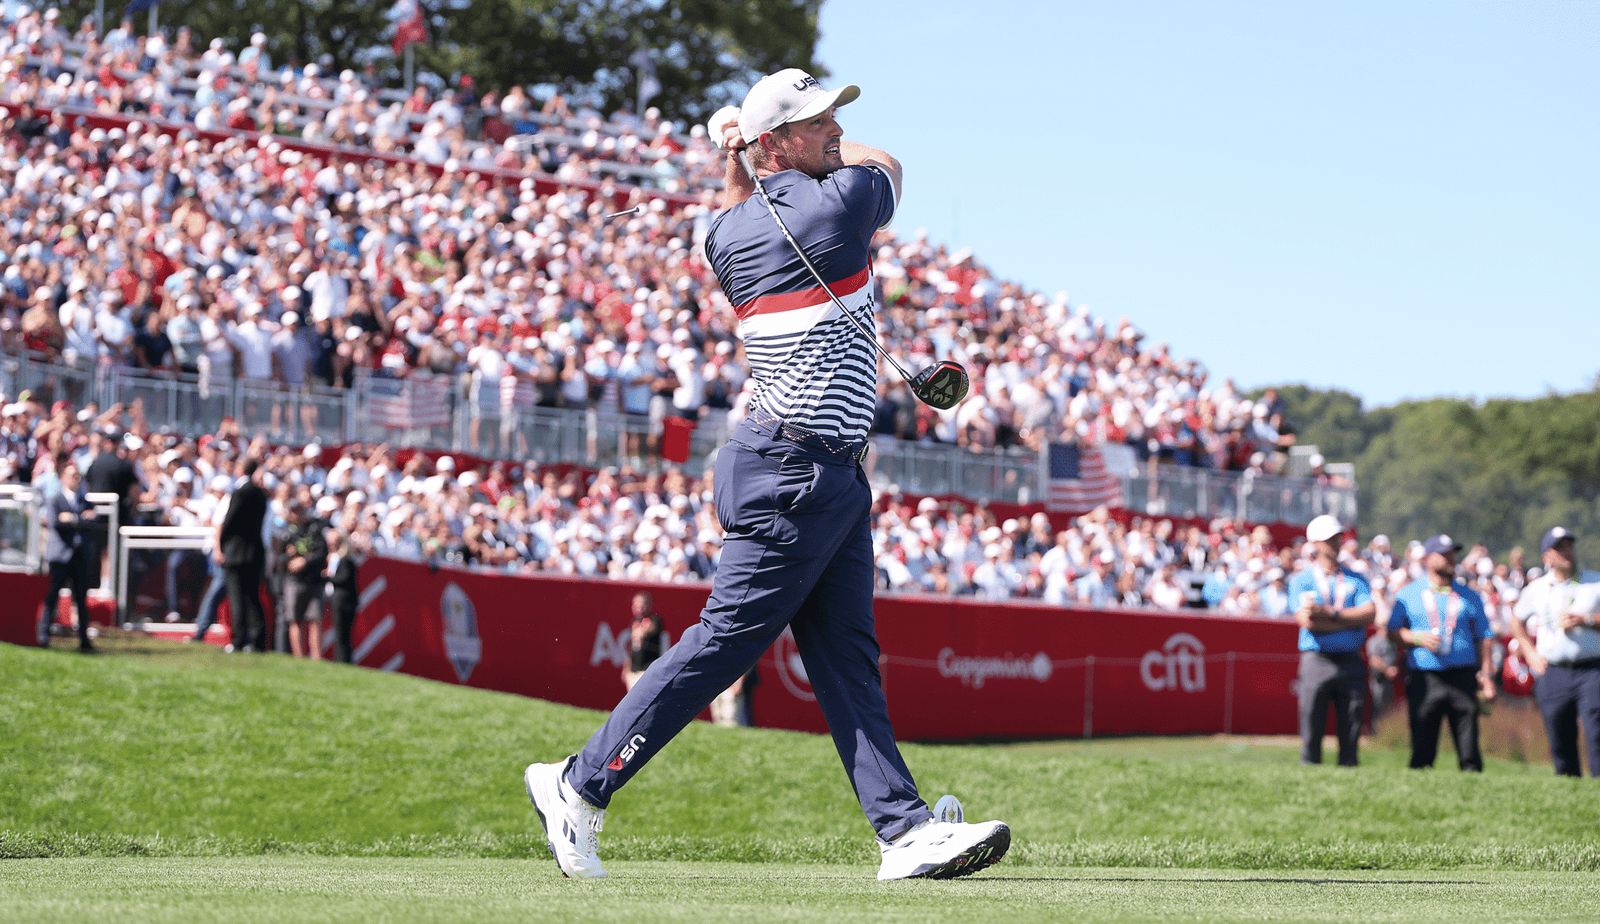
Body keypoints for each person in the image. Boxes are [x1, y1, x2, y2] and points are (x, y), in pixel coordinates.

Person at [522, 69, 1009, 882]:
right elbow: (889, 162)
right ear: (778, 143)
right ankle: (577, 783)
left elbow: (731, 212)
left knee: (848, 657)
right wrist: (776, 149)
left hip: (823, 472)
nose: (833, 133)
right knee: (723, 645)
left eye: (831, 120)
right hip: (794, 471)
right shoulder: (841, 200)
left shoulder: (726, 234)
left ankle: (903, 831)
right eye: (815, 123)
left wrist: (742, 154)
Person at [1386, 534, 1497, 771]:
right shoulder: (1409, 593)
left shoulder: (1470, 595)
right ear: (1428, 559)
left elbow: (1484, 637)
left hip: (1463, 676)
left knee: (1469, 748)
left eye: (1452, 553)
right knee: (1422, 747)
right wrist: (1417, 638)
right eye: (1444, 554)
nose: (1451, 559)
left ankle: (1472, 788)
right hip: (1425, 677)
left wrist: (1486, 676)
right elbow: (1392, 630)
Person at [1507, 527, 1600, 777]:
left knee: (1596, 732)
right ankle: (1568, 788)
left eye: (1569, 546)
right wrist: (1530, 654)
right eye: (1559, 548)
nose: (1567, 552)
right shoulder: (1537, 588)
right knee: (1559, 734)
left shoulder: (1595, 581)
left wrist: (1588, 619)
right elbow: (1515, 622)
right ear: (1546, 556)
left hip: (1592, 669)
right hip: (1553, 670)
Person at [1286, 515, 1375, 766]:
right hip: (1317, 660)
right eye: (1330, 539)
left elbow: (1369, 613)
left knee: (1351, 729)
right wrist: (1350, 620)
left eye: (1338, 538)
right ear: (1316, 543)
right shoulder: (1302, 579)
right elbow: (1308, 622)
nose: (1337, 543)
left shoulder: (1355, 578)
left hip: (1350, 660)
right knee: (1311, 728)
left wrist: (1330, 614)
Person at [35, 460, 101, 651]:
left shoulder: (84, 500)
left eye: (77, 476)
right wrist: (79, 518)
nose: (76, 479)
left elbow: (93, 521)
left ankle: (84, 640)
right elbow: (57, 523)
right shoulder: (56, 499)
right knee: (52, 596)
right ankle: (43, 636)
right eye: (72, 475)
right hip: (61, 556)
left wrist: (72, 518)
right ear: (63, 478)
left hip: (80, 556)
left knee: (81, 600)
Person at [220, 458, 269, 652]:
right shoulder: (261, 494)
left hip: (237, 552)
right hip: (255, 552)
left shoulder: (240, 493)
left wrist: (224, 543)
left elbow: (230, 521)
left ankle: (239, 640)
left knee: (237, 597)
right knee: (253, 597)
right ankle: (257, 641)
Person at [280, 501, 330, 658]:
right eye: (293, 511)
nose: (296, 514)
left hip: (313, 580)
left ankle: (317, 657)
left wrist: (304, 561)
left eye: (299, 510)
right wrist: (288, 557)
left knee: (315, 618)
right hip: (294, 580)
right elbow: (278, 558)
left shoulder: (314, 528)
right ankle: (298, 657)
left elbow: (322, 552)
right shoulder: (286, 532)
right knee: (295, 619)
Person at [328, 531, 364, 664]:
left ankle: (342, 661)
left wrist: (328, 577)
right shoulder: (346, 560)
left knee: (342, 635)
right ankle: (343, 660)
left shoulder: (346, 561)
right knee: (343, 636)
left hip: (343, 602)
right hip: (346, 601)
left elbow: (343, 579)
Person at [620, 591, 663, 692]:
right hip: (634, 670)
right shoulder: (633, 622)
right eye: (635, 604)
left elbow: (648, 630)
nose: (637, 607)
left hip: (647, 669)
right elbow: (632, 647)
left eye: (641, 603)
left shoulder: (654, 619)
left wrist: (640, 630)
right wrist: (627, 667)